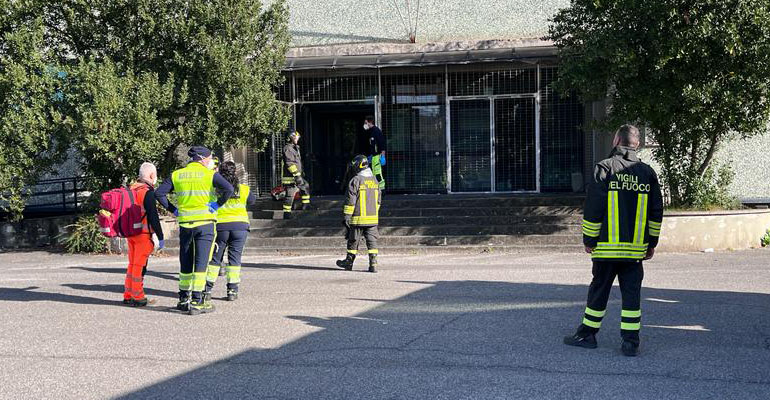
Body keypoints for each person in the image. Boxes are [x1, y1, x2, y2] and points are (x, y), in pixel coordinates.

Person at [563, 125, 664, 356]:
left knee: (599, 290)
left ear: (616, 140)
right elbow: (656, 211)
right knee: (631, 294)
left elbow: (594, 208)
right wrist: (651, 243)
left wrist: (589, 238)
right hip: (634, 252)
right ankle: (630, 342)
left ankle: (587, 334)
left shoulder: (604, 168)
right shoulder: (647, 173)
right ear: (637, 144)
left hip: (606, 249)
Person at [156, 146, 234, 315]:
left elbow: (159, 194)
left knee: (185, 260)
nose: (211, 160)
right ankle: (197, 302)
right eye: (210, 158)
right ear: (202, 158)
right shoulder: (209, 174)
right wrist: (217, 204)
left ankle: (183, 298)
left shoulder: (177, 174)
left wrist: (174, 210)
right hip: (205, 224)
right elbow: (229, 189)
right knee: (201, 262)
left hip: (185, 224)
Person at [205, 161, 256, 301]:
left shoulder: (214, 189)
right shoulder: (244, 189)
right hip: (240, 227)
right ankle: (232, 290)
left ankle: (207, 290)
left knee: (215, 259)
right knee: (234, 259)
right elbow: (252, 201)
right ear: (235, 173)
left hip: (220, 227)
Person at [122, 162, 165, 307]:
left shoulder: (130, 189)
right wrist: (160, 236)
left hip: (131, 233)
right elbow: (153, 216)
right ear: (152, 175)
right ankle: (138, 296)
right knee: (140, 266)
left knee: (132, 264)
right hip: (143, 234)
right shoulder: (147, 192)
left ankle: (128, 294)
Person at [336, 155, 381, 273]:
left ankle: (349, 262)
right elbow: (378, 201)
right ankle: (373, 264)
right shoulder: (375, 180)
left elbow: (350, 201)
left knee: (353, 240)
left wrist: (347, 217)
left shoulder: (355, 180)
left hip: (358, 218)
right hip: (372, 219)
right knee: (372, 241)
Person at [282, 131, 313, 219]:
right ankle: (287, 214)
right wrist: (296, 175)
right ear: (290, 138)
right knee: (290, 195)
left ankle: (306, 205)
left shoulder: (294, 148)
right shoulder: (288, 148)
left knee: (305, 186)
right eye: (295, 138)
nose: (297, 139)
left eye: (297, 138)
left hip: (298, 175)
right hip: (291, 177)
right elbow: (290, 163)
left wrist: (300, 174)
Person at [362, 116, 387, 191]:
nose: (365, 124)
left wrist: (383, 156)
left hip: (377, 156)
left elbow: (382, 143)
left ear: (370, 122)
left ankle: (382, 190)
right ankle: (376, 189)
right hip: (372, 156)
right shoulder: (369, 131)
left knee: (378, 173)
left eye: (366, 123)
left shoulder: (376, 131)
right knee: (373, 173)